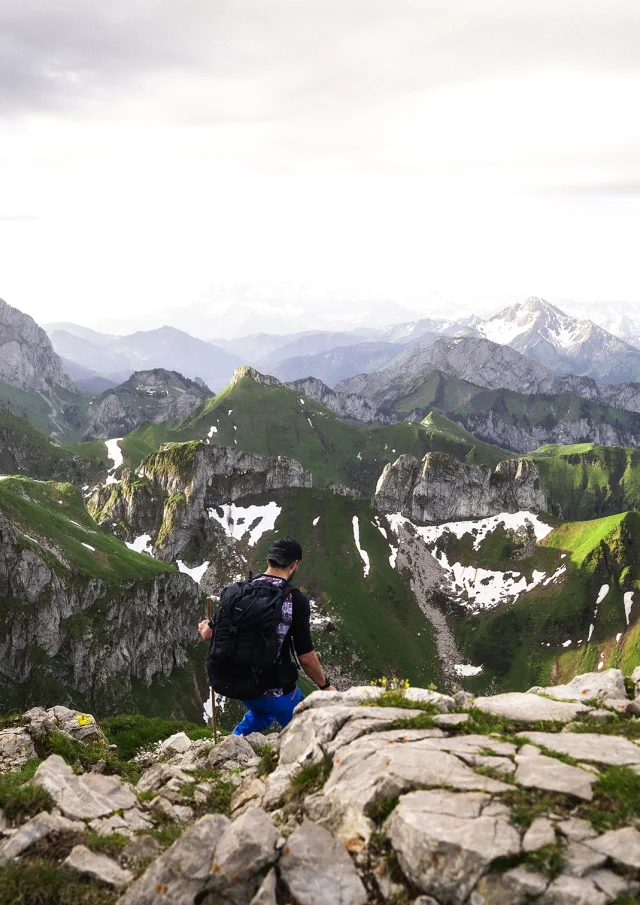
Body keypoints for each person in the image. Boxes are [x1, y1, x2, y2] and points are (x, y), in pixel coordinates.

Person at [198, 536, 336, 735]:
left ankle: (235, 742)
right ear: (294, 564)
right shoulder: (294, 599)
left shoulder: (238, 592)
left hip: (239, 686)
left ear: (268, 561)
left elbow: (208, 634)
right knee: (309, 730)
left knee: (262, 710)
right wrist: (326, 686)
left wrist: (204, 628)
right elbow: (306, 658)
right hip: (276, 690)